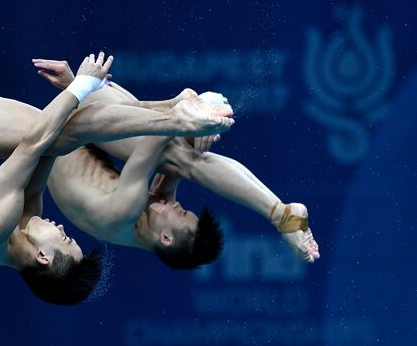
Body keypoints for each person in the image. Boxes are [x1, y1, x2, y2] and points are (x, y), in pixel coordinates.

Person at [0, 52, 234, 305]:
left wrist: (81, 86)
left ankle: (178, 120)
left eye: (63, 239)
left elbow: (37, 141)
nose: (62, 228)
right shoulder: (24, 226)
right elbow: (58, 136)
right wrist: (79, 88)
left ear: (42, 257)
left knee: (56, 135)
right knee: (61, 137)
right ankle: (173, 112)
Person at [33, 58, 319, 266]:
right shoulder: (151, 223)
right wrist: (193, 133)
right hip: (84, 130)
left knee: (178, 153)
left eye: (181, 214)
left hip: (63, 132)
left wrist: (191, 117)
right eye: (185, 210)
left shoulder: (124, 213)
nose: (178, 205)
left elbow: (155, 138)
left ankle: (280, 214)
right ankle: (281, 214)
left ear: (166, 239)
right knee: (184, 153)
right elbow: (171, 150)